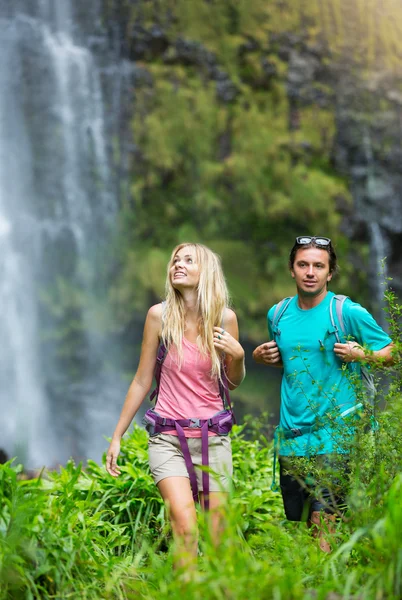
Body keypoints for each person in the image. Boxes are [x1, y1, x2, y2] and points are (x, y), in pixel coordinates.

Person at [106, 243, 245, 567]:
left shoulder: (226, 319)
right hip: (168, 438)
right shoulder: (159, 317)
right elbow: (142, 380)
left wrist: (237, 357)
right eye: (175, 261)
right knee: (185, 528)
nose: (177, 265)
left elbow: (231, 384)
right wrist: (117, 435)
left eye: (188, 260)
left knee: (218, 538)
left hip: (214, 439)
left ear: (206, 270)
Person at [253, 235, 394, 552]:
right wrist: (261, 358)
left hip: (336, 434)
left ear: (330, 273)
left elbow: (393, 352)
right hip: (293, 436)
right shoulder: (277, 315)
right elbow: (294, 364)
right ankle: (331, 579)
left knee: (323, 521)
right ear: (292, 269)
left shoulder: (347, 312)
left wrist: (364, 355)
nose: (310, 272)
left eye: (319, 266)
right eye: (303, 264)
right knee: (304, 521)